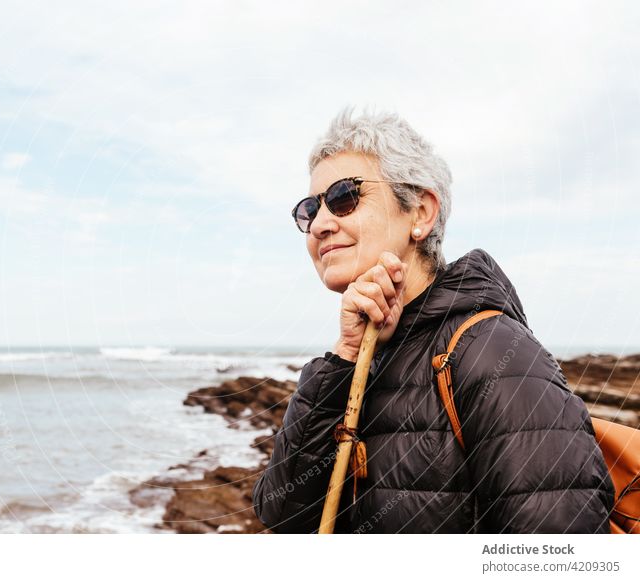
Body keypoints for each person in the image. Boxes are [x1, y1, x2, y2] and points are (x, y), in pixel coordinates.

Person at [251, 107, 615, 533]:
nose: (321, 225)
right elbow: (283, 517)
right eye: (309, 210)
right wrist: (345, 356)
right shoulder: (362, 357)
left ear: (420, 213)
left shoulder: (491, 352)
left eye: (344, 197)